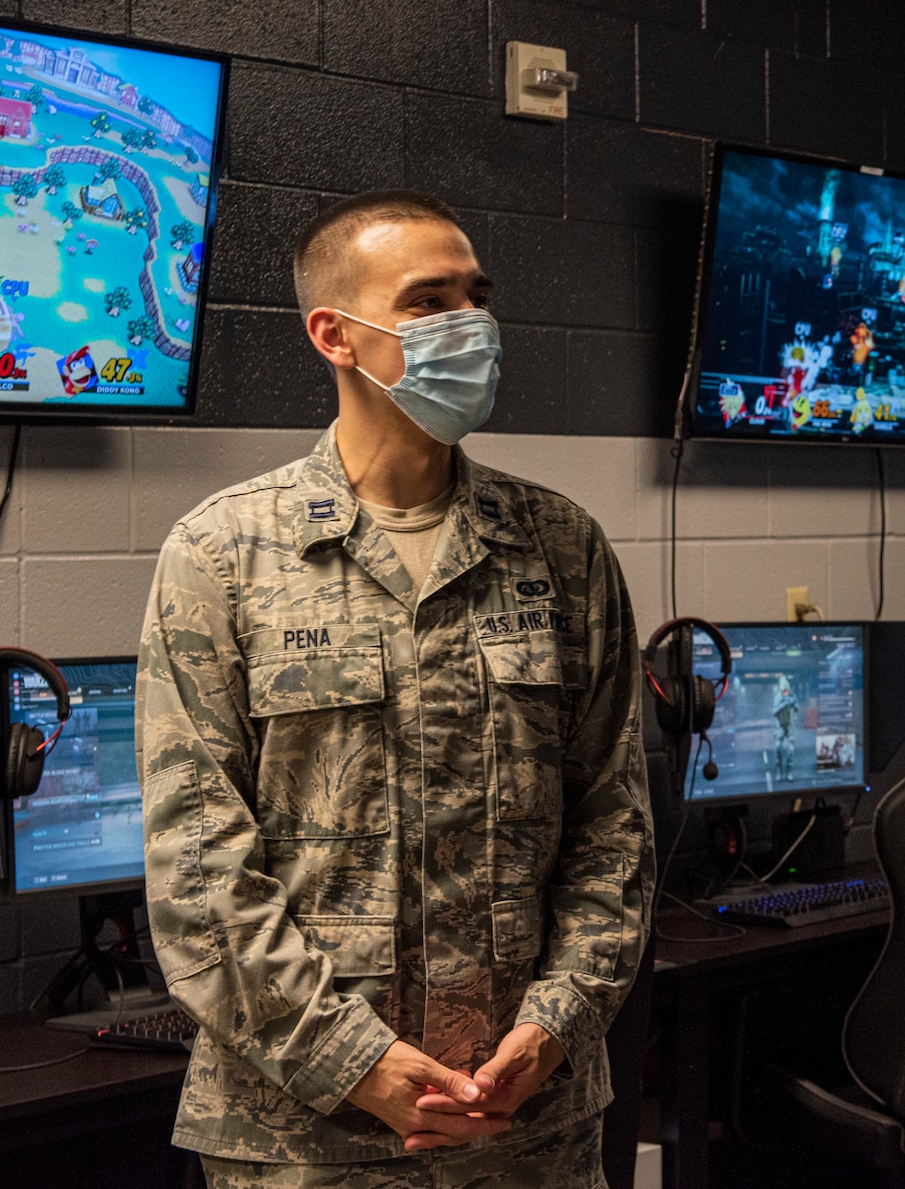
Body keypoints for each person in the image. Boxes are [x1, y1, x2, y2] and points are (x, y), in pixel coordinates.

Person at [137, 190, 652, 1186]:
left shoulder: (560, 547)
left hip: (527, 1129)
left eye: (477, 295)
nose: (473, 326)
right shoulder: (224, 552)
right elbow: (199, 866)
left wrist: (554, 1026)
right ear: (334, 333)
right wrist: (354, 1061)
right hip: (303, 1138)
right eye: (428, 301)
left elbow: (614, 828)